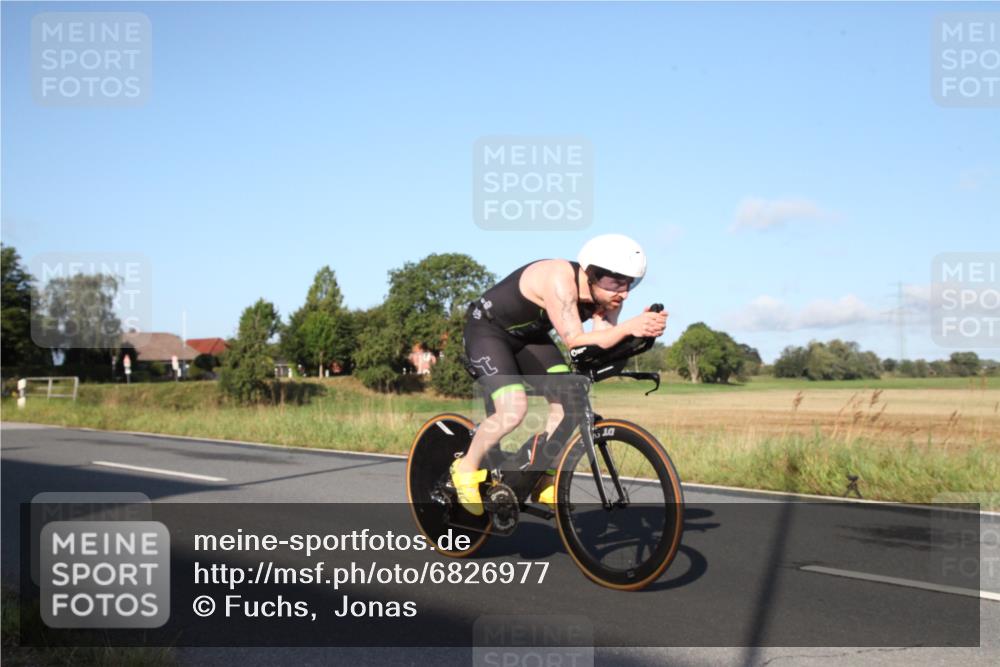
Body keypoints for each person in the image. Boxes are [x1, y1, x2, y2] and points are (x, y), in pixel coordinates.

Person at [453, 234, 668, 515]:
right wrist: (629, 328)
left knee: (570, 402)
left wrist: (640, 333)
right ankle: (465, 468)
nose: (624, 292)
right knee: (513, 410)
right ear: (591, 273)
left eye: (630, 283)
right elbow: (576, 342)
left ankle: (542, 476)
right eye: (617, 281)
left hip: (530, 338)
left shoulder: (610, 299)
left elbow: (599, 345)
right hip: (488, 331)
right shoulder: (559, 279)